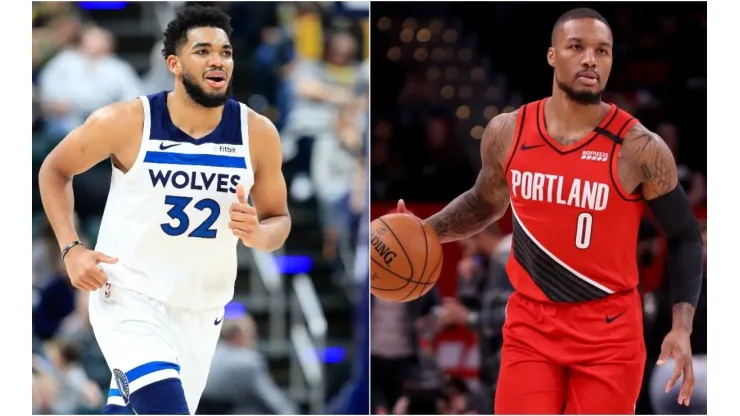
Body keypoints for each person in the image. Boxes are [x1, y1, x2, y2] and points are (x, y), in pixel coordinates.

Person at [395, 7, 703, 414]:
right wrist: (425, 231)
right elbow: (484, 201)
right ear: (552, 55)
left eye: (603, 51)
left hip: (608, 333)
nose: (591, 59)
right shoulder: (509, 131)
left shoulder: (639, 147)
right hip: (530, 325)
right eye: (577, 47)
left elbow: (684, 236)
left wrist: (682, 327)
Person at [38, 5, 291, 415]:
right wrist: (71, 248)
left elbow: (279, 219)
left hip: (202, 308)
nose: (217, 61)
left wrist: (261, 234)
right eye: (203, 51)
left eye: (225, 52)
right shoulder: (125, 121)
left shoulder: (258, 133)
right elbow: (54, 170)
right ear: (174, 63)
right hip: (129, 296)